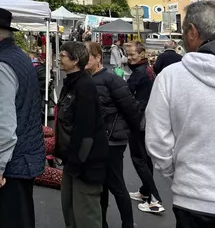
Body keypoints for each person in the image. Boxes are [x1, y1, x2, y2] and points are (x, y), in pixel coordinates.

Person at [146, 1, 215, 227]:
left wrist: (181, 174)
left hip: (193, 198)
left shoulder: (171, 77)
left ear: (193, 32)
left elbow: (157, 142)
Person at [0, 7, 45, 228]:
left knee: (12, 220)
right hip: (24, 156)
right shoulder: (18, 57)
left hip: (12, 162)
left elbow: (4, 125)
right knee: (22, 219)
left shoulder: (0, 66)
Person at [85, 42, 142, 228]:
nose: (85, 60)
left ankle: (127, 224)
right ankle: (101, 222)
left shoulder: (111, 80)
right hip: (97, 141)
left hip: (112, 141)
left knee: (116, 184)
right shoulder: (87, 79)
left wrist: (127, 134)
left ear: (98, 57)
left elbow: (131, 110)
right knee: (99, 185)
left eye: (88, 56)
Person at [56, 42, 108, 228]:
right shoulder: (72, 83)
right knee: (70, 211)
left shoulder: (84, 86)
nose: (59, 57)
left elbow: (86, 130)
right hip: (73, 160)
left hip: (85, 164)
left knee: (85, 216)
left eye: (63, 55)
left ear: (75, 60)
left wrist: (78, 162)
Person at [124, 40, 164, 213]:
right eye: (128, 54)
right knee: (145, 159)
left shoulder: (139, 73)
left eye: (132, 54)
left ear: (142, 54)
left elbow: (130, 98)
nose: (129, 58)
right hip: (147, 119)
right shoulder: (147, 70)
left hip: (139, 121)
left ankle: (154, 199)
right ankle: (145, 191)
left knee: (139, 159)